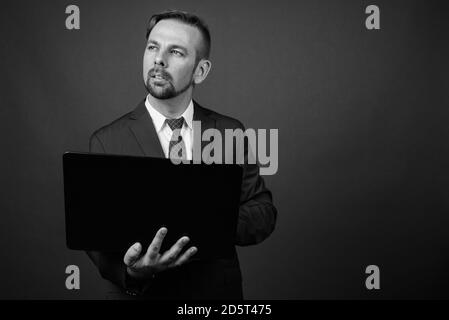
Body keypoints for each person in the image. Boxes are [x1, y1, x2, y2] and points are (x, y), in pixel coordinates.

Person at [87, 9, 277, 299]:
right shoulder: (106, 141)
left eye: (175, 52)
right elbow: (94, 235)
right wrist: (133, 272)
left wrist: (207, 223)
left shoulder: (229, 132)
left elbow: (262, 212)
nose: (158, 59)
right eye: (153, 47)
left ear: (200, 71)